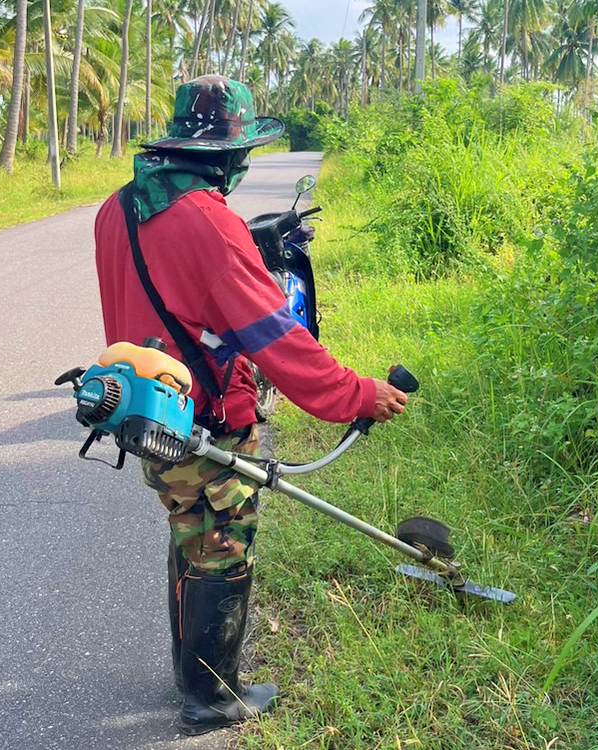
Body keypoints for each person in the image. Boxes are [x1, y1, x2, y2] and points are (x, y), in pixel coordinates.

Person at [93, 75, 408, 736]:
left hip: (147, 412)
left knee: (189, 531)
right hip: (205, 420)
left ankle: (191, 668)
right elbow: (275, 339)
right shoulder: (208, 220)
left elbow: (161, 295)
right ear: (229, 155)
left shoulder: (118, 208)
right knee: (220, 547)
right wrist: (358, 395)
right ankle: (211, 696)